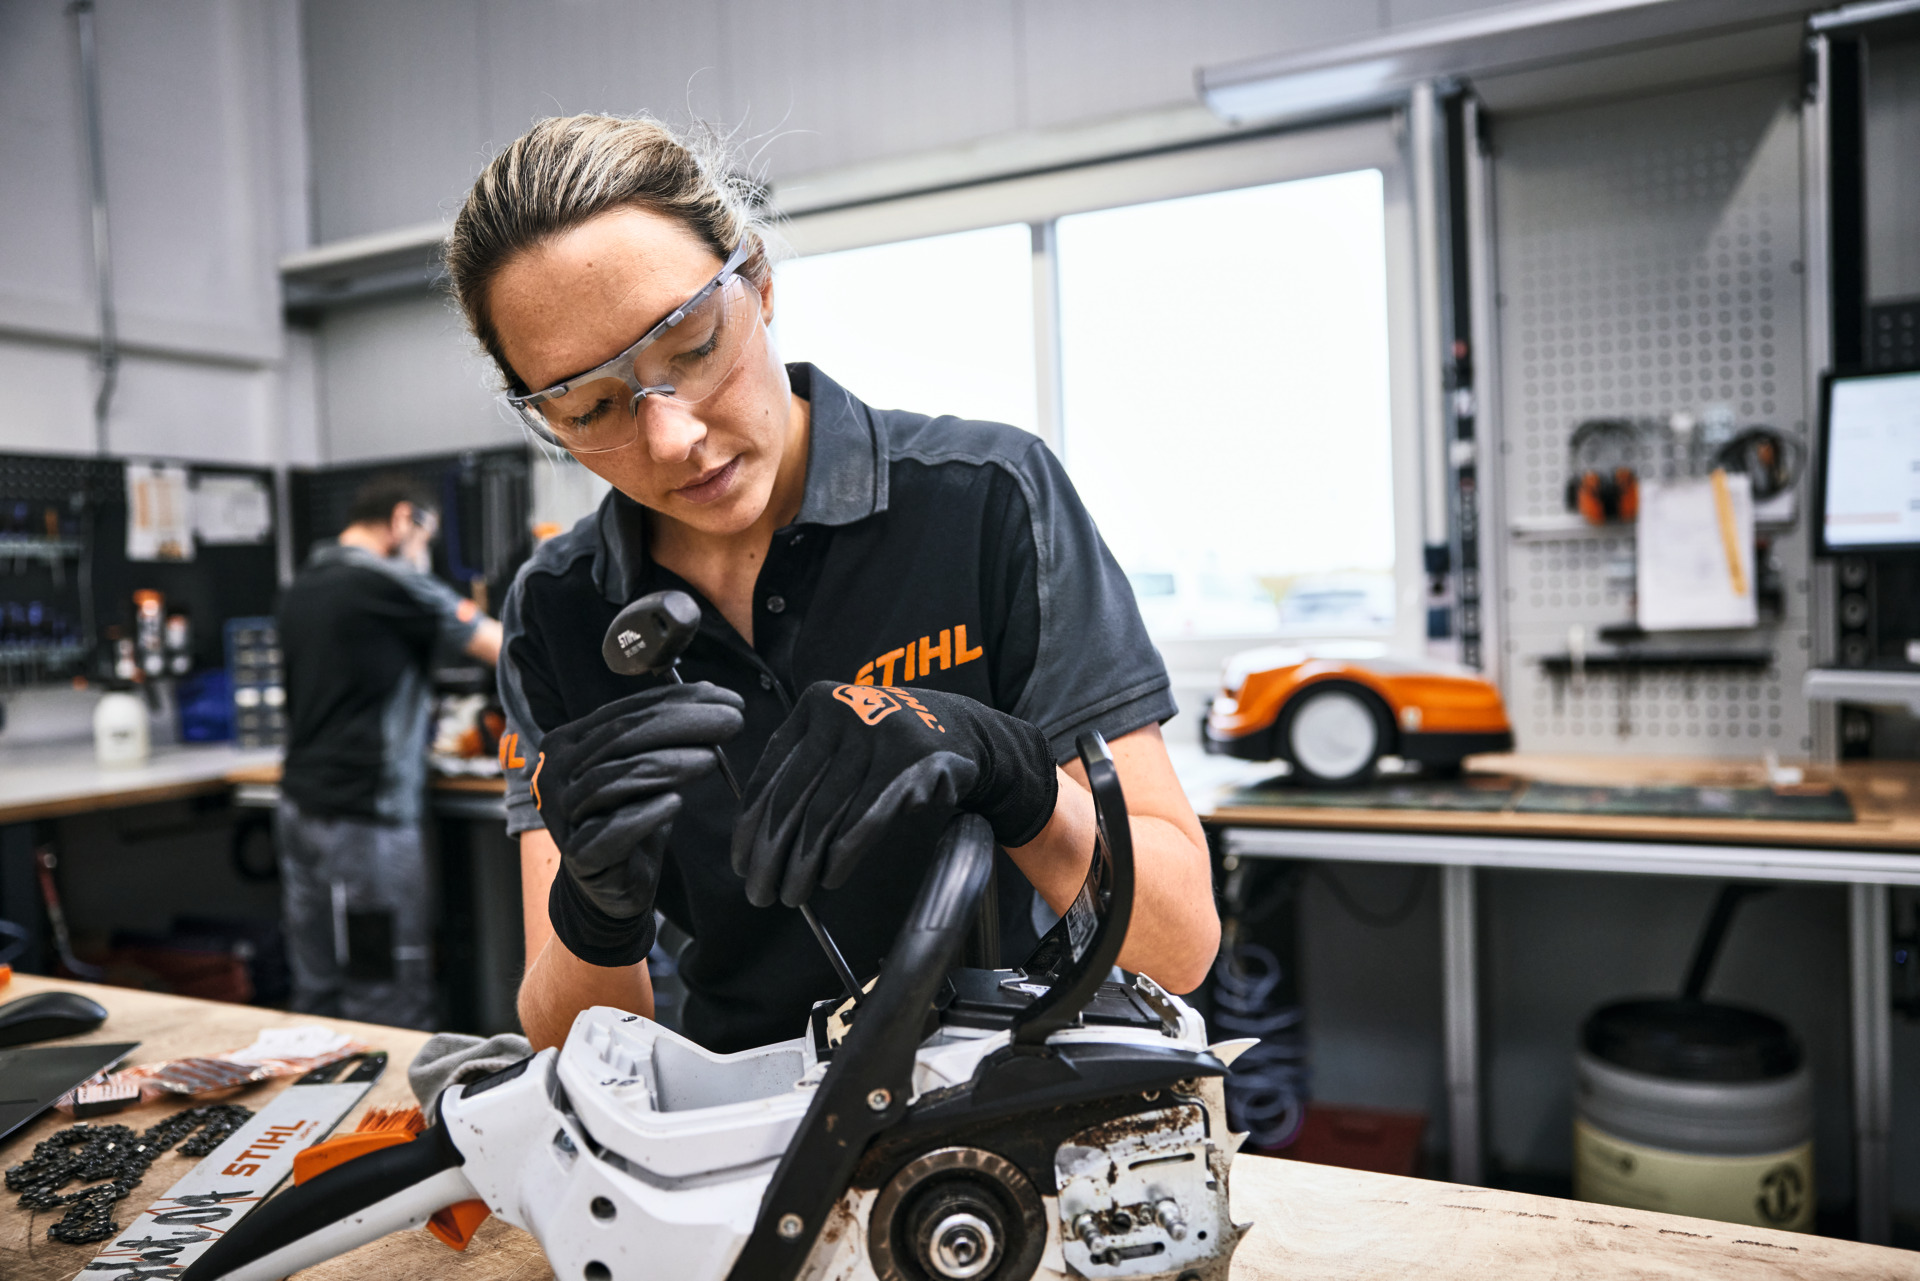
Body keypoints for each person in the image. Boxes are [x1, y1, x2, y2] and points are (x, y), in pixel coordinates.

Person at [447, 115, 1219, 1054]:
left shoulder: (987, 502)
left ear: (759, 284)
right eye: (589, 407)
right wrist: (595, 912)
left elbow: (1177, 947)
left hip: (1014, 1081)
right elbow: (571, 1043)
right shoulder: (558, 606)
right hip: (733, 1122)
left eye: (691, 347)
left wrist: (1013, 777)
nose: (671, 439)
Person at [276, 476, 504, 1028]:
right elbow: (504, 647)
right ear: (404, 520)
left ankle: (320, 1114)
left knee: (318, 989)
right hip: (366, 827)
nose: (423, 557)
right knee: (384, 990)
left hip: (299, 809)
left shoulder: (303, 583)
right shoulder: (389, 581)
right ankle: (391, 1116)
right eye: (426, 541)